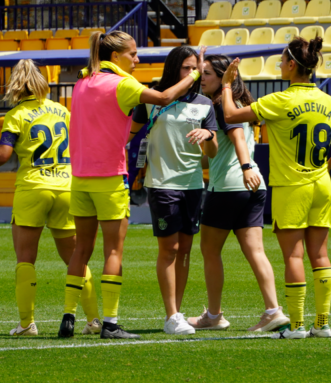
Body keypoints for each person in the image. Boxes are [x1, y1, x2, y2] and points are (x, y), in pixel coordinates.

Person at [59, 31, 207, 340]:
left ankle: (68, 316)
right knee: (113, 249)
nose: (137, 60)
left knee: (81, 249)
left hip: (80, 178)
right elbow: (165, 97)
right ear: (115, 57)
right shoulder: (122, 84)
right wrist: (194, 74)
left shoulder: (81, 83)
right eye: (132, 54)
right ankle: (110, 323)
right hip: (109, 179)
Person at [221, 37, 331, 339]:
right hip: (322, 185)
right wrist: (329, 165)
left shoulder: (280, 100)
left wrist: (225, 84)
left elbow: (231, 115)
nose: (280, 65)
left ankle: (297, 326)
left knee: (293, 257)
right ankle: (322, 324)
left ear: (293, 65)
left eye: (283, 60)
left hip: (291, 186)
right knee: (320, 256)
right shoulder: (327, 100)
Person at [0, 59, 101, 337]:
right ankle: (93, 320)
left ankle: (27, 325)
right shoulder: (62, 110)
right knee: (76, 257)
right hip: (65, 186)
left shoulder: (16, 115)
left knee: (26, 258)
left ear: (16, 85)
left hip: (33, 187)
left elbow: (3, 154)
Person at [189, 54, 287, 333]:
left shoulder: (220, 105)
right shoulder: (242, 102)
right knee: (256, 251)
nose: (201, 78)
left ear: (223, 78)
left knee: (209, 249)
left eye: (207, 73)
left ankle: (214, 315)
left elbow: (236, 138)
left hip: (231, 186)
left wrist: (244, 167)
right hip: (254, 186)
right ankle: (273, 311)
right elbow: (219, 153)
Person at [130, 46, 218, 335]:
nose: (193, 74)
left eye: (196, 68)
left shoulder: (205, 103)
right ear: (173, 68)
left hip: (193, 184)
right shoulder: (152, 98)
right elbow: (129, 133)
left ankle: (176, 314)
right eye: (186, 68)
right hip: (162, 184)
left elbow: (213, 152)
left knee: (185, 251)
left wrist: (208, 136)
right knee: (170, 249)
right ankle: (171, 315)